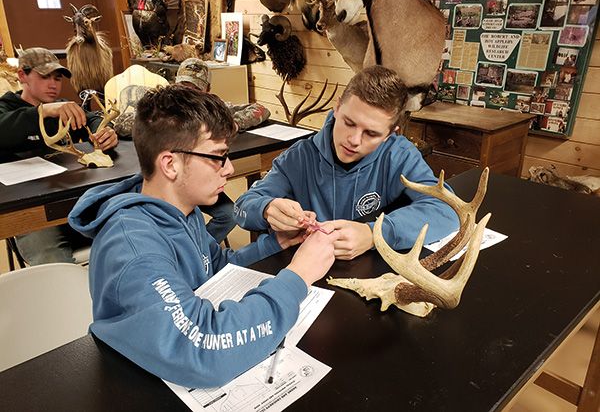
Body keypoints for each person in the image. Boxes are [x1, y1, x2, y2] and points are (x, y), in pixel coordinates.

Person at [68, 84, 338, 388]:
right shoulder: (134, 249)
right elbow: (204, 352)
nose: (229, 169)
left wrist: (278, 242)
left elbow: (216, 267)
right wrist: (298, 277)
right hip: (141, 386)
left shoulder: (183, 209)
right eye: (217, 157)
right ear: (170, 164)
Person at [233, 65, 459, 260]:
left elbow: (447, 210)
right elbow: (242, 206)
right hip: (304, 273)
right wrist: (267, 209)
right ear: (338, 107)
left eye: (371, 133)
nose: (354, 140)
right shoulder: (299, 157)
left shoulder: (399, 155)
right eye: (349, 123)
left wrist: (373, 235)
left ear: (390, 134)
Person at [0, 47, 118, 265]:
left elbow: (92, 118)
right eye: (44, 77)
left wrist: (106, 130)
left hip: (71, 199)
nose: (52, 84)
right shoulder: (6, 108)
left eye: (57, 78)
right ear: (22, 76)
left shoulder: (64, 107)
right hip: (32, 210)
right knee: (51, 260)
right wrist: (44, 111)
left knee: (124, 230)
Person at [175, 58, 271, 244]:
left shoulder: (214, 108)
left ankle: (200, 249)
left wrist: (235, 123)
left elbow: (261, 109)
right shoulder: (162, 108)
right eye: (183, 87)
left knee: (229, 214)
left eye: (195, 89)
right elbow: (124, 122)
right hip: (172, 184)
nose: (188, 94)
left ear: (208, 90)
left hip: (199, 180)